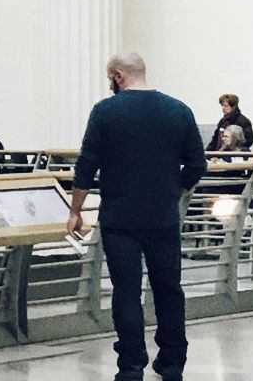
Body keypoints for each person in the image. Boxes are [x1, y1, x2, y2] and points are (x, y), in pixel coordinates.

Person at [67, 52, 206, 381]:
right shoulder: (179, 110)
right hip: (163, 216)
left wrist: (75, 210)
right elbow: (197, 165)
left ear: (117, 75)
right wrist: (174, 190)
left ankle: (131, 368)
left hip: (119, 219)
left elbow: (86, 165)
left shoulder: (105, 112)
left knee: (126, 291)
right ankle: (172, 363)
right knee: (169, 290)